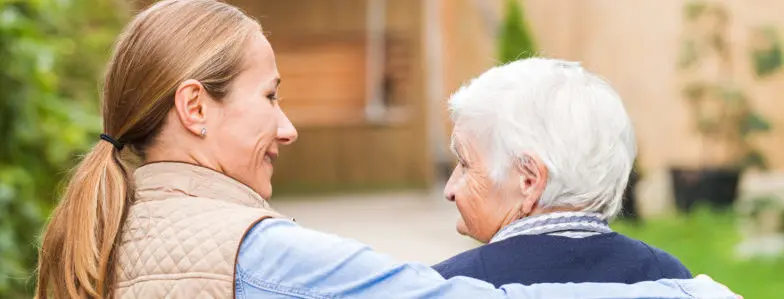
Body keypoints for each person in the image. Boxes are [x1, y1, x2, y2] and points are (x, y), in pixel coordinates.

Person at [33, 1, 737, 298]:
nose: (288, 128)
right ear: (194, 107)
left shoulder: (112, 227)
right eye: (271, 96)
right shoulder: (252, 251)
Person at [433, 58, 691, 286]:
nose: (450, 189)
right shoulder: (670, 278)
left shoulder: (450, 286)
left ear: (529, 179)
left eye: (466, 164)